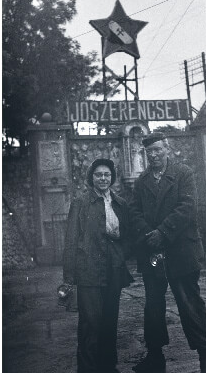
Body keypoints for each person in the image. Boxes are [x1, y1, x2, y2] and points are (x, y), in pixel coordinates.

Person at [129, 132, 206, 373]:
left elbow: (188, 207)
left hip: (181, 250)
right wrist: (150, 234)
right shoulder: (141, 181)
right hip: (153, 252)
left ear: (167, 149)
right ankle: (155, 357)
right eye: (150, 152)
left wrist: (163, 233)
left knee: (190, 304)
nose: (154, 155)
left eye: (158, 150)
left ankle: (205, 359)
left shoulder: (183, 173)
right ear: (145, 154)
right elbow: (134, 211)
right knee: (153, 307)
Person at [62, 158, 133, 373]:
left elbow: (128, 236)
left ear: (112, 177)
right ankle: (87, 371)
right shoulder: (81, 204)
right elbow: (71, 240)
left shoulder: (120, 203)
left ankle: (108, 368)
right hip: (89, 271)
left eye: (107, 175)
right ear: (91, 178)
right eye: (98, 175)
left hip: (114, 270)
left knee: (110, 322)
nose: (103, 178)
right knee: (90, 324)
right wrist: (69, 277)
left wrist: (120, 253)